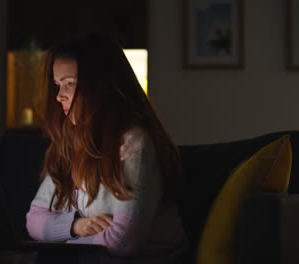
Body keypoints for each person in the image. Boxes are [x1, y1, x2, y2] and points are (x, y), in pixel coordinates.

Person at [25, 34, 187, 261]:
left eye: (70, 84)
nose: (59, 96)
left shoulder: (133, 144)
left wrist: (58, 240)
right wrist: (75, 226)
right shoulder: (70, 142)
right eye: (58, 85)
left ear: (100, 87)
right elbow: (33, 220)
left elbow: (122, 242)